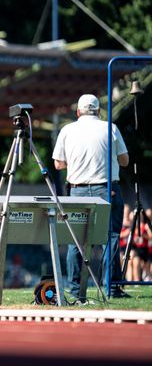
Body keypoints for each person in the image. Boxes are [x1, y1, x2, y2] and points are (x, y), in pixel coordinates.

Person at [52, 94, 129, 300]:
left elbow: (58, 164)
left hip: (77, 191)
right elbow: (124, 160)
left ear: (78, 112)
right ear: (98, 111)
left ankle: (76, 290)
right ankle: (111, 288)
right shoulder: (110, 128)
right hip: (107, 189)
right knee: (110, 238)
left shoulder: (67, 130)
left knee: (76, 241)